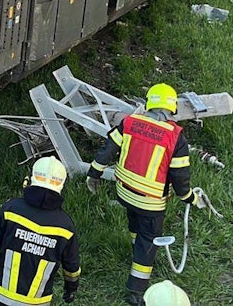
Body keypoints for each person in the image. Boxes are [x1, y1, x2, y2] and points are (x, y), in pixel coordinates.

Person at [86, 83, 203, 305]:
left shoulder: (129, 122)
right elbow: (180, 178)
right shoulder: (175, 138)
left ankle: (135, 247)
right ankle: (136, 290)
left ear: (148, 103)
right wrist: (190, 198)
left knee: (134, 223)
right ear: (172, 108)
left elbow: (107, 150)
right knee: (148, 242)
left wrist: (94, 174)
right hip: (151, 203)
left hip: (124, 193)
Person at [0, 156, 80, 306]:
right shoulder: (65, 226)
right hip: (35, 302)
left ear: (31, 179)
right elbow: (71, 267)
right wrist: (70, 289)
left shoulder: (11, 210)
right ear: (61, 186)